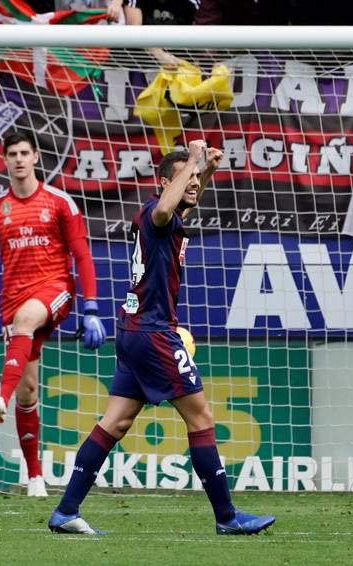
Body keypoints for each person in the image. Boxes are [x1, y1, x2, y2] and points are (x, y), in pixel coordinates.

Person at [48, 140, 276, 536]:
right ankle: (227, 517)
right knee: (201, 416)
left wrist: (205, 171)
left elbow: (184, 199)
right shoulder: (157, 212)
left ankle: (66, 510)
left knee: (115, 422)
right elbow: (169, 205)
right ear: (164, 183)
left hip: (134, 330)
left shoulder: (168, 215)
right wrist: (192, 160)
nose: (193, 185)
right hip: (153, 333)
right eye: (185, 179)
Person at [0, 132, 105, 497]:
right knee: (28, 391)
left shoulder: (59, 203)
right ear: (4, 160)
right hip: (12, 300)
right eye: (12, 154)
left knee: (26, 322)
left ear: (35, 157)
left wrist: (91, 307)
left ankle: (0, 397)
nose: (19, 159)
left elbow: (82, 256)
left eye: (25, 153)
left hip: (55, 290)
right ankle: (35, 477)